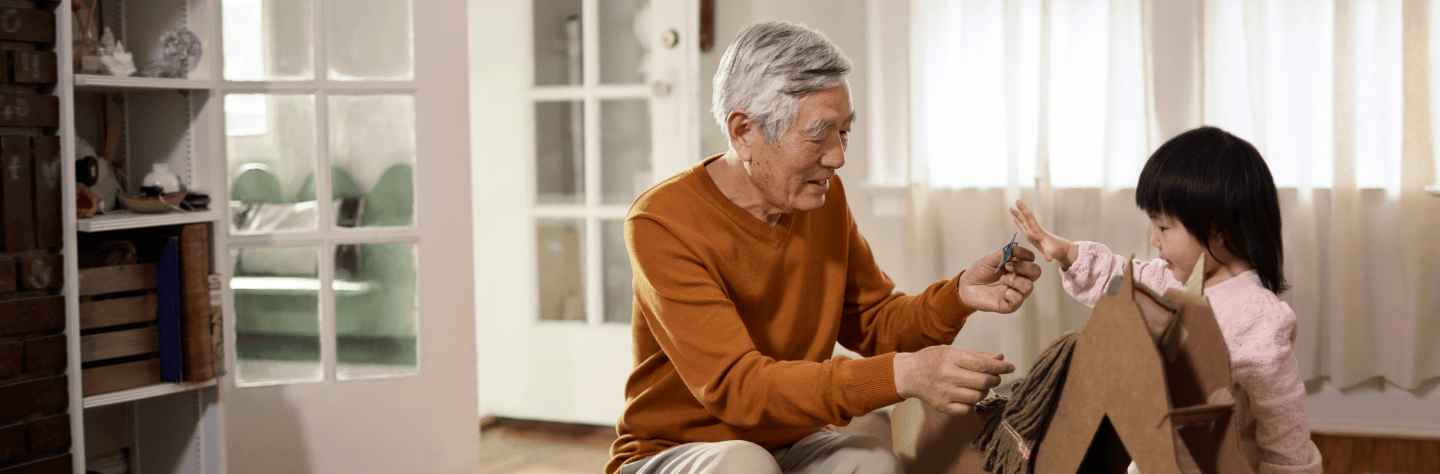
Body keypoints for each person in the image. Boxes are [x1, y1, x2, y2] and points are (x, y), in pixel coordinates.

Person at [607, 21, 1043, 474]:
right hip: (671, 450)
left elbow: (877, 324)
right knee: (745, 464)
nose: (837, 157)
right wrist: (904, 374)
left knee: (871, 462)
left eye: (844, 133)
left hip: (789, 437)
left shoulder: (822, 202)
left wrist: (959, 297)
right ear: (743, 132)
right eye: (819, 135)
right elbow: (739, 388)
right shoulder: (663, 221)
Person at [1010, 126, 1323, 473]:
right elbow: (1117, 279)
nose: (1154, 240)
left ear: (1216, 230)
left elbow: (1285, 431)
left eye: (1163, 227)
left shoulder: (1259, 319)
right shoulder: (1169, 282)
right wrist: (1068, 252)